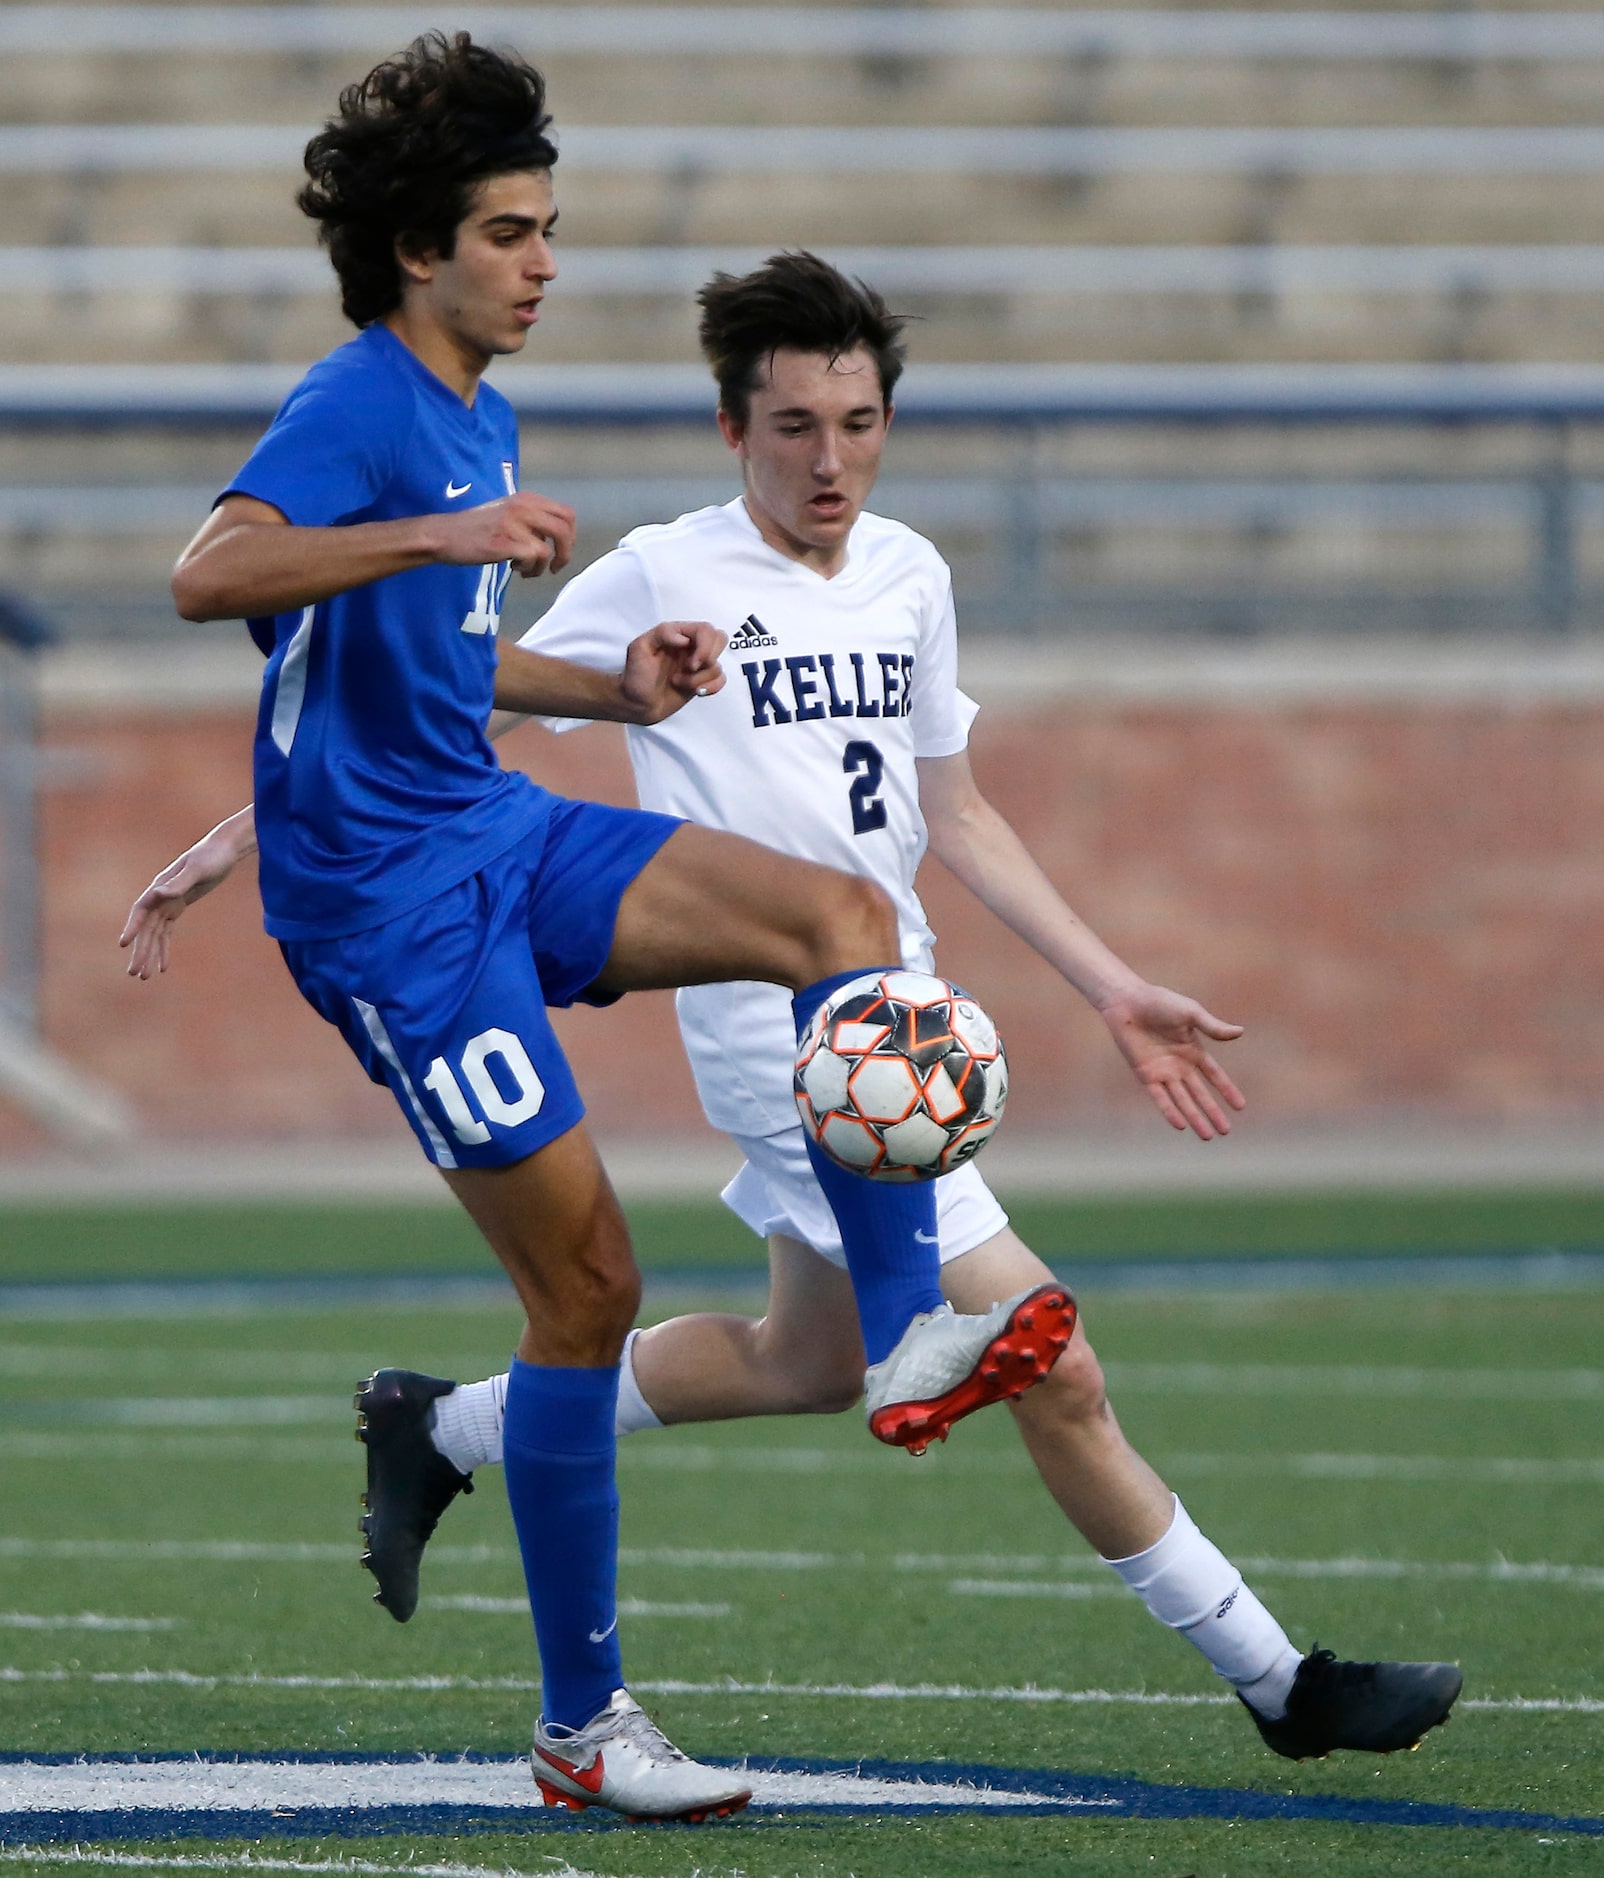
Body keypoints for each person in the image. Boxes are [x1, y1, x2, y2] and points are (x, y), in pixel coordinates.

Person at [130, 246, 1462, 1771]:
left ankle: (446, 1427)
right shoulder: (660, 567)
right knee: (1057, 1361)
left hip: (896, 1005)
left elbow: (954, 815)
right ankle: (1282, 1680)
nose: (830, 460)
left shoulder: (912, 575)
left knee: (800, 1360)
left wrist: (1112, 986)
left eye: (859, 423)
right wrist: (239, 842)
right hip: (802, 1041)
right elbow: (437, 709)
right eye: (793, 429)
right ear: (729, 430)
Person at [129, 39, 1083, 1824]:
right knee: (588, 1289)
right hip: (391, 911)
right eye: (510, 232)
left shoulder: (478, 406)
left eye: (549, 228)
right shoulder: (366, 402)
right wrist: (442, 526)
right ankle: (584, 1729)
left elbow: (436, 660)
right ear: (422, 250)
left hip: (486, 824)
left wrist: (606, 674)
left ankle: (906, 1331)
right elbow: (211, 572)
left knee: (841, 907)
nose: (545, 262)